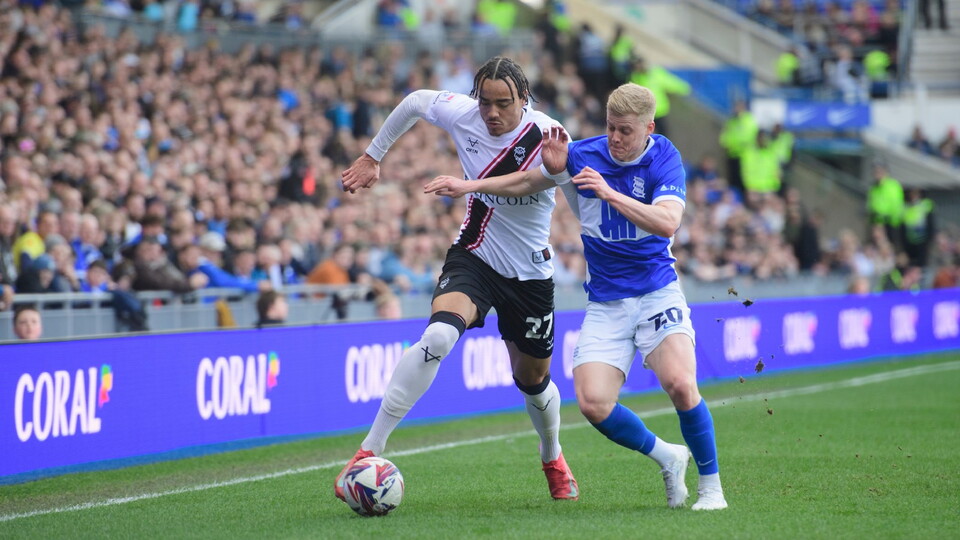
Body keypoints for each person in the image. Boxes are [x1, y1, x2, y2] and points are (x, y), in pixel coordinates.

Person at [426, 83, 728, 510]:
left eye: (625, 130)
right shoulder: (583, 154)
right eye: (610, 127)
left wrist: (608, 192)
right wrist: (468, 185)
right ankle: (668, 456)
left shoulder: (664, 157)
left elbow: (667, 222)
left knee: (680, 384)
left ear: (648, 128)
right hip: (606, 302)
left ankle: (712, 489)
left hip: (656, 293)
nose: (615, 138)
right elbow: (526, 181)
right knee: (593, 403)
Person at [336, 56, 579, 502]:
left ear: (524, 99)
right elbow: (415, 101)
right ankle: (368, 450)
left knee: (532, 380)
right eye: (484, 102)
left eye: (503, 103)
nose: (491, 113)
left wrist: (473, 186)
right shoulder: (463, 114)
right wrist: (373, 155)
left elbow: (546, 187)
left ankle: (552, 456)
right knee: (439, 336)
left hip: (529, 273)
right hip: (475, 255)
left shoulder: (547, 135)